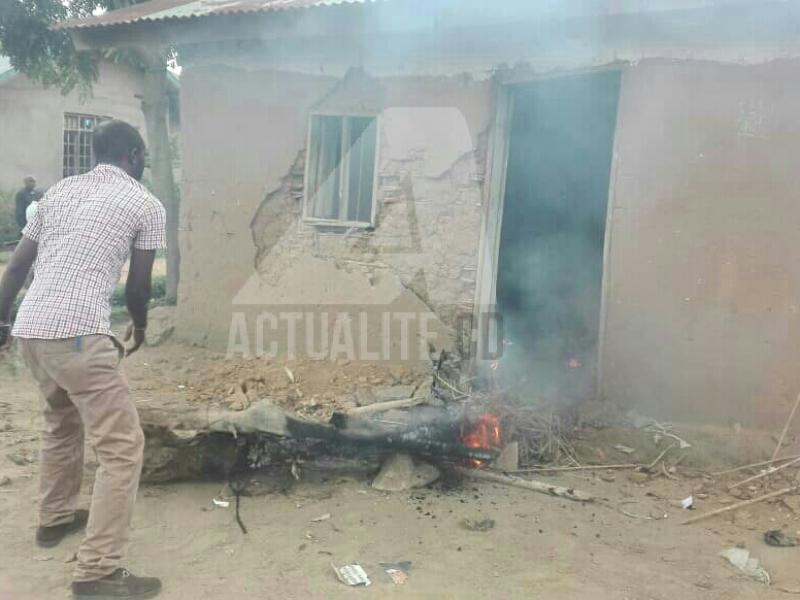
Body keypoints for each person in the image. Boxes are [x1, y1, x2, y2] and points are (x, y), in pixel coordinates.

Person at [0, 120, 165, 600]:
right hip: (78, 333)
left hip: (32, 330)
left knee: (60, 419)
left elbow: (15, 267)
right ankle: (97, 571)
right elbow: (137, 288)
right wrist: (142, 325)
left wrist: (0, 324)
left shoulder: (57, 193)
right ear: (134, 155)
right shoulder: (144, 203)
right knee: (122, 447)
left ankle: (54, 519)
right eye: (145, 157)